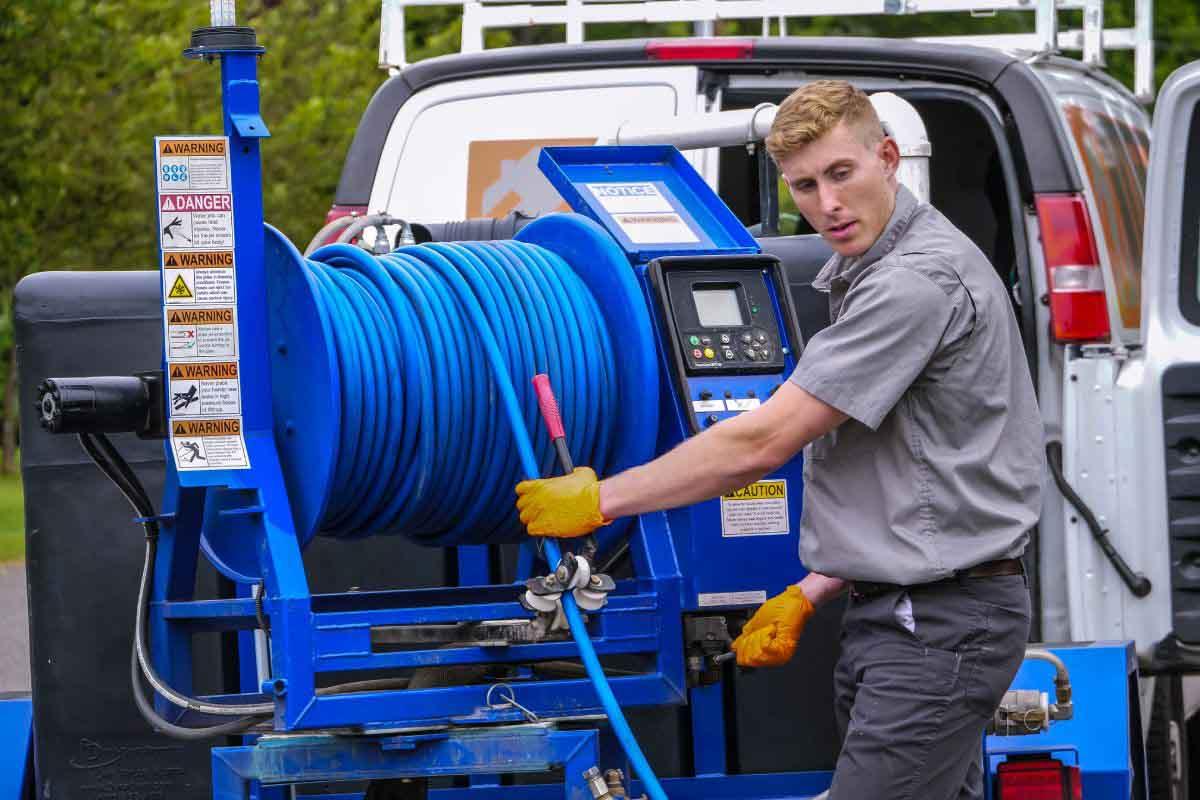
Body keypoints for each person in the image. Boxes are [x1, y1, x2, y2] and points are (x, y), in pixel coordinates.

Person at [515, 79, 1043, 799]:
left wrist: (601, 500)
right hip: (901, 613)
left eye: (841, 173)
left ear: (887, 157)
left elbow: (761, 443)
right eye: (804, 185)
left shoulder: (913, 284)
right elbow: (915, 471)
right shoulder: (872, 271)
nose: (826, 204)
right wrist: (812, 588)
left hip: (939, 628)